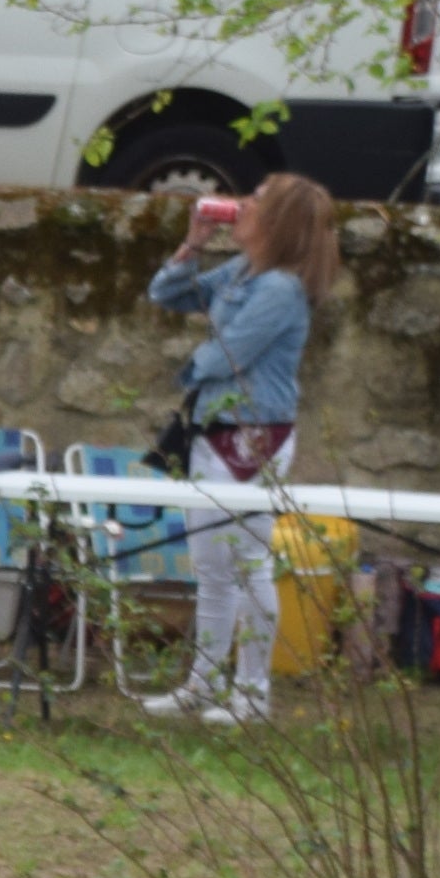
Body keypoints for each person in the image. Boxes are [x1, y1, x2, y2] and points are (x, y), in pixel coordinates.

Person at [143, 173, 341, 724]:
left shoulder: (279, 289)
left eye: (253, 201)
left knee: (247, 561)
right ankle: (203, 682)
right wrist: (193, 245)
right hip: (213, 427)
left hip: (253, 436)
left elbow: (228, 355)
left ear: (276, 221)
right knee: (211, 565)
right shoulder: (245, 271)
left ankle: (251, 692)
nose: (240, 206)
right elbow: (168, 293)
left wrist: (184, 374)